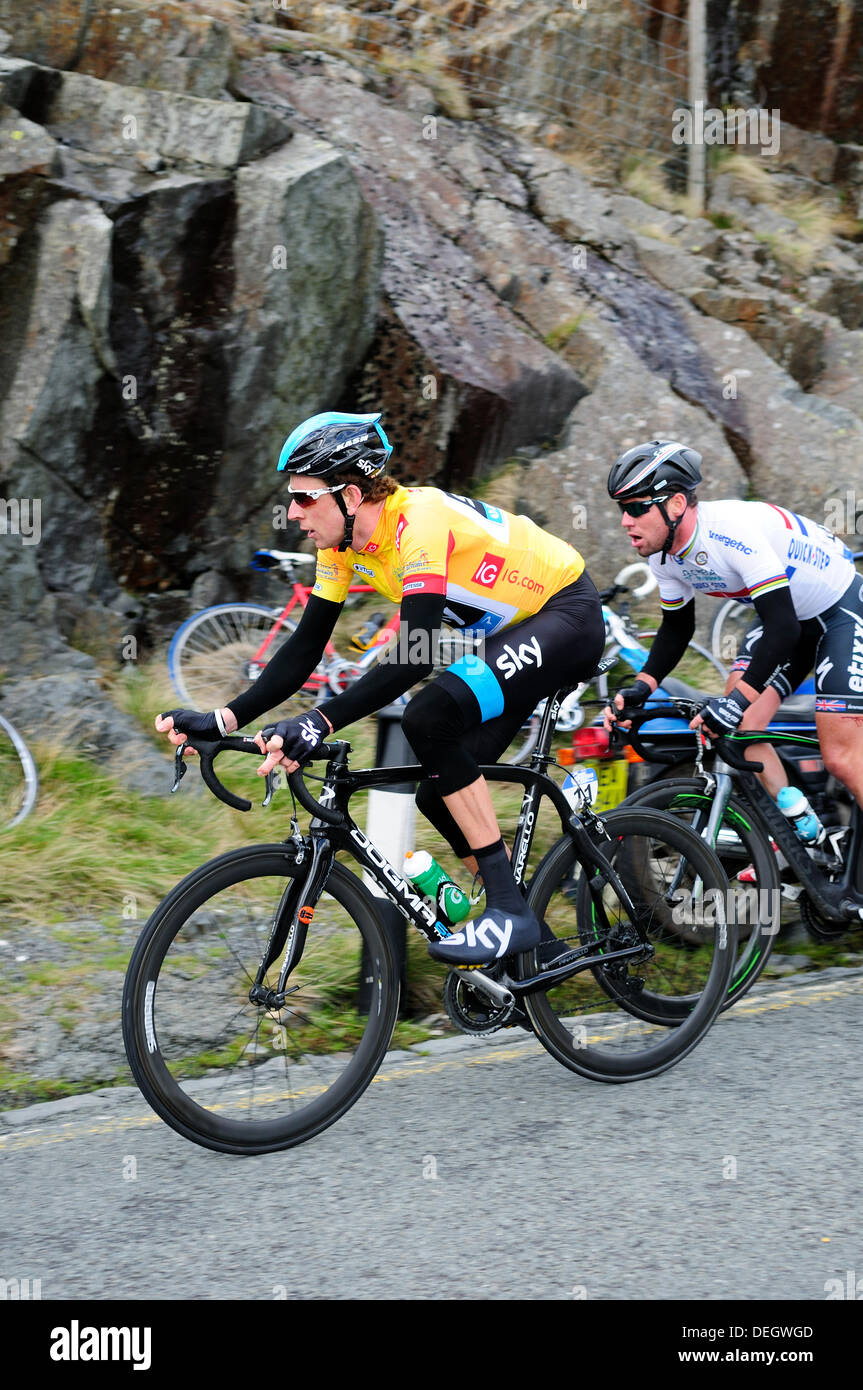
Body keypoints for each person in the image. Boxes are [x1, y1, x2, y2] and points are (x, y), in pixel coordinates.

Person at [157, 411, 606, 964]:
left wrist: (319, 722)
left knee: (427, 716)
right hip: (515, 634)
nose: (293, 513)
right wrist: (225, 718)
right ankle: (539, 947)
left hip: (567, 613)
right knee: (440, 789)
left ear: (348, 494)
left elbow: (415, 652)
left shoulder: (417, 521)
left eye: (303, 498)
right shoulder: (340, 545)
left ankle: (509, 914)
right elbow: (305, 646)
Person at [602, 440, 863, 904]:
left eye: (637, 507)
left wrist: (737, 697)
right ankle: (802, 831)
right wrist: (641, 689)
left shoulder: (730, 534)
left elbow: (781, 630)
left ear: (677, 504)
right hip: (790, 619)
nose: (626, 521)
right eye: (623, 509)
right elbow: (677, 627)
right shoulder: (663, 553)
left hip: (839, 609)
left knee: (841, 756)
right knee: (742, 729)